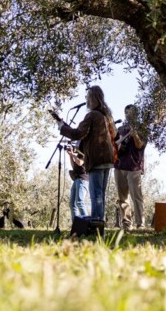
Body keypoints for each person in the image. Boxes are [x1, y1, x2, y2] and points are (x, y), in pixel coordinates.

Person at [52, 85, 116, 230]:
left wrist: (61, 126)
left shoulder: (92, 115)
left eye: (87, 97)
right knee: (101, 195)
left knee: (96, 195)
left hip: (96, 159)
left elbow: (78, 134)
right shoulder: (107, 116)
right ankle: (99, 227)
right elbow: (113, 135)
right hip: (107, 159)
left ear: (92, 98)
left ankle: (95, 227)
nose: (86, 100)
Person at [114, 104, 146, 230]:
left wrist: (135, 135)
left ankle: (140, 224)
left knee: (136, 197)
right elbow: (115, 147)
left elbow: (140, 146)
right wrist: (121, 140)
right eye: (126, 112)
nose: (128, 115)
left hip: (134, 167)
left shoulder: (142, 128)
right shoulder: (120, 129)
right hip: (119, 166)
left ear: (136, 114)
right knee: (122, 198)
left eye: (131, 112)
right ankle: (126, 224)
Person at [66, 142, 89, 218]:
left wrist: (72, 154)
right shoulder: (78, 155)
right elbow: (74, 166)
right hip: (76, 179)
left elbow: (80, 162)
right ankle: (75, 223)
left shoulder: (84, 153)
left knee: (80, 202)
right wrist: (70, 156)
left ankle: (86, 222)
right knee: (72, 204)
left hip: (83, 179)